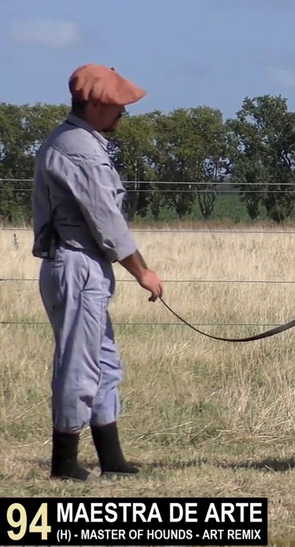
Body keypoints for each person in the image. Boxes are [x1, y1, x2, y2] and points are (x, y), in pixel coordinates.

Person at [31, 63, 165, 481]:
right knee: (79, 366)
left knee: (103, 363)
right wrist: (142, 272)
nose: (124, 110)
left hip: (80, 266)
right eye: (116, 103)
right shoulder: (79, 149)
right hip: (77, 265)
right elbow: (107, 222)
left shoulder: (75, 140)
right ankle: (65, 465)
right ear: (91, 104)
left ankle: (112, 460)